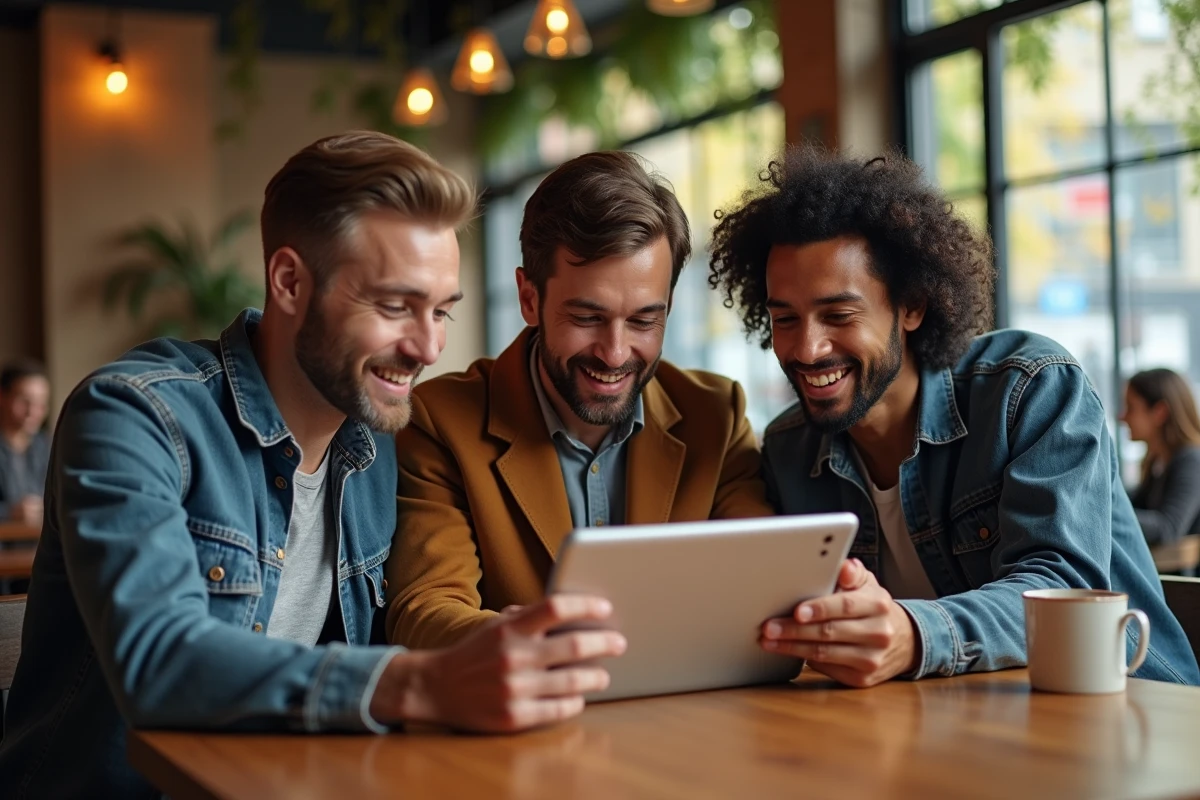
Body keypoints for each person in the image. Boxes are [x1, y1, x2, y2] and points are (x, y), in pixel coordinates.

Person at [0, 132, 626, 799]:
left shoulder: (380, 448)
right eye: (395, 306)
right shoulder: (135, 416)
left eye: (441, 311)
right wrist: (422, 681)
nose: (428, 346)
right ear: (290, 281)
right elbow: (158, 659)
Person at [706, 145, 1200, 687]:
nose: (807, 347)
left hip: (1136, 714)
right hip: (957, 735)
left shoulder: (1028, 390)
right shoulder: (789, 449)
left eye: (838, 315)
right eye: (785, 319)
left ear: (912, 306)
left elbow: (1062, 587)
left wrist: (914, 635)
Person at [386, 151, 773, 650]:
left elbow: (763, 584)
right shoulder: (440, 422)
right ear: (529, 299)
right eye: (587, 317)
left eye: (642, 321)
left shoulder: (715, 416)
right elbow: (424, 613)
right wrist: (541, 643)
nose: (614, 353)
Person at [1120, 368, 1200, 546]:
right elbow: (1135, 502)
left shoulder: (1192, 461)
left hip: (1180, 574)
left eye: (1130, 408)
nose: (1122, 417)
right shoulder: (1157, 462)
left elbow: (1168, 528)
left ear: (1160, 411)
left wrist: (1107, 514)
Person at [0, 359, 51, 526]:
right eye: (24, 400)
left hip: (39, 548)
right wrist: (9, 512)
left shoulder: (48, 446)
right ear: (2, 397)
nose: (33, 411)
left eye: (41, 403)